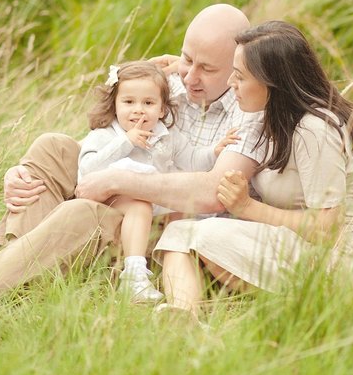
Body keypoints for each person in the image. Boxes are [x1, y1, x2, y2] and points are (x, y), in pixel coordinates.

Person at [0, 4, 262, 298]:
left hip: (158, 223)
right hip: (132, 185)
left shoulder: (248, 107)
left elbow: (214, 192)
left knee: (82, 212)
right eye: (186, 58)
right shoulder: (173, 82)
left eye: (207, 69)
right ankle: (18, 266)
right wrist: (17, 174)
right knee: (51, 148)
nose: (190, 76)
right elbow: (109, 136)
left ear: (237, 69)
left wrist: (118, 181)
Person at [151, 21, 353, 321]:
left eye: (240, 76)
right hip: (289, 243)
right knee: (179, 232)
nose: (231, 83)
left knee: (193, 233)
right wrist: (182, 65)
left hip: (334, 260)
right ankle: (183, 316)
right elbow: (224, 82)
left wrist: (247, 207)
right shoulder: (271, 113)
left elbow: (327, 229)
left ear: (273, 83)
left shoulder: (314, 131)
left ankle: (196, 312)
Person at [77, 60, 238, 303]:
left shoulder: (167, 136)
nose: (138, 110)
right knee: (140, 205)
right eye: (129, 102)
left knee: (181, 212)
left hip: (151, 205)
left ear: (162, 109)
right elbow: (88, 169)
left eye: (149, 103)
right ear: (115, 104)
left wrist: (214, 151)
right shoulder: (104, 135)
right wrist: (126, 143)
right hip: (109, 202)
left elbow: (192, 159)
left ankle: (174, 277)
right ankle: (133, 277)